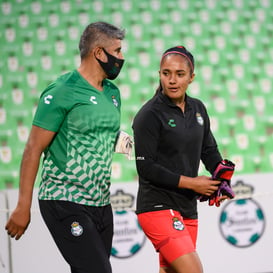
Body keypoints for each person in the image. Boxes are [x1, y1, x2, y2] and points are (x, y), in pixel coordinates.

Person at [5, 21, 125, 273]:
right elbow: (32, 149)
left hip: (101, 202)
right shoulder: (62, 90)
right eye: (117, 51)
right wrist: (22, 205)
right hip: (64, 199)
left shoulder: (113, 93)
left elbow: (98, 134)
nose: (121, 58)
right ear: (99, 53)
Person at [132, 46, 231, 273]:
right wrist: (193, 183)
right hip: (156, 207)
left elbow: (209, 150)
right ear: (159, 75)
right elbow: (145, 167)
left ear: (191, 77)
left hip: (187, 208)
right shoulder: (148, 115)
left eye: (179, 74)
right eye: (166, 73)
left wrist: (222, 181)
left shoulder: (198, 108)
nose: (172, 80)